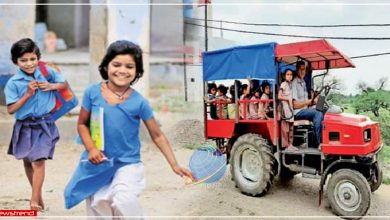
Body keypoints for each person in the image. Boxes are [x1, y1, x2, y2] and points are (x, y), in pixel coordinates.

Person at [64, 40, 193, 217]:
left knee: (123, 199)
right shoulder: (92, 93)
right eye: (116, 64)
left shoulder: (139, 102)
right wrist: (91, 148)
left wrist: (175, 164)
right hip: (98, 163)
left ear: (137, 71)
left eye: (129, 66)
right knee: (98, 205)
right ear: (106, 65)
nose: (122, 71)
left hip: (128, 164)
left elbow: (157, 135)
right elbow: (81, 124)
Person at [4, 38, 68, 211]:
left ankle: (32, 202)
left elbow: (63, 84)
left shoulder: (47, 72)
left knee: (38, 161)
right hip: (24, 126)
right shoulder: (13, 83)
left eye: (32, 59)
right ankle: (39, 198)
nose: (29, 63)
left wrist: (51, 85)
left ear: (38, 58)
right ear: (15, 61)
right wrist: (27, 94)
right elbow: (11, 109)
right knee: (27, 161)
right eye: (23, 60)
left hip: (45, 124)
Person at [292, 61, 323, 147]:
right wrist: (309, 101)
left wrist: (314, 100)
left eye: (304, 69)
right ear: (297, 70)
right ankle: (319, 142)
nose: (303, 72)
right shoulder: (294, 83)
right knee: (318, 113)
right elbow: (294, 105)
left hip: (305, 110)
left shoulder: (303, 82)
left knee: (323, 109)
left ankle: (318, 137)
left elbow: (306, 102)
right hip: (297, 112)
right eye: (301, 69)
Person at [278, 69, 298, 151]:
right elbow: (279, 96)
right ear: (284, 76)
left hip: (290, 108)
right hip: (285, 108)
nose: (290, 76)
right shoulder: (283, 84)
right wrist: (287, 99)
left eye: (291, 74)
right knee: (285, 129)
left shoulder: (290, 85)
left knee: (291, 128)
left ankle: (290, 144)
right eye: (288, 74)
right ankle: (286, 146)